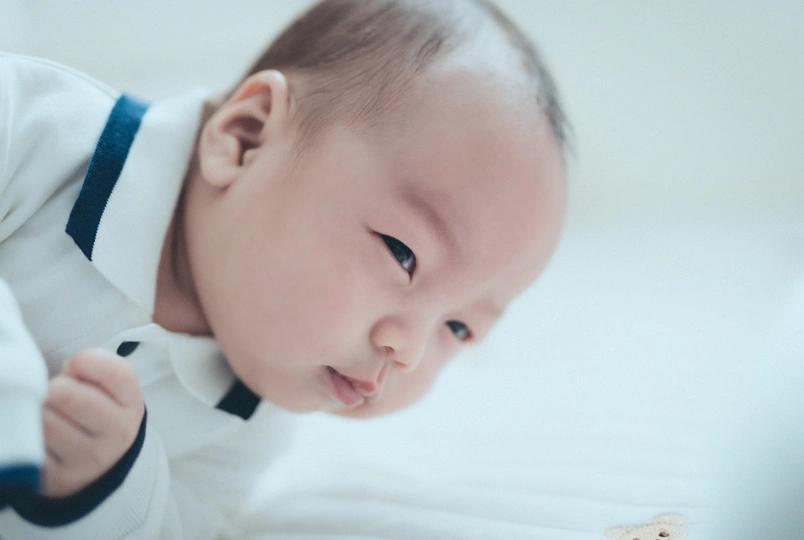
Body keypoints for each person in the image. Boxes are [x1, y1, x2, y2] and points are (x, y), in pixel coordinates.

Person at [0, 0, 568, 537]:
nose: (409, 351)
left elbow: (187, 524)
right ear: (247, 138)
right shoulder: (36, 131)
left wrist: (107, 486)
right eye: (403, 253)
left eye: (459, 328)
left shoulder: (249, 422)